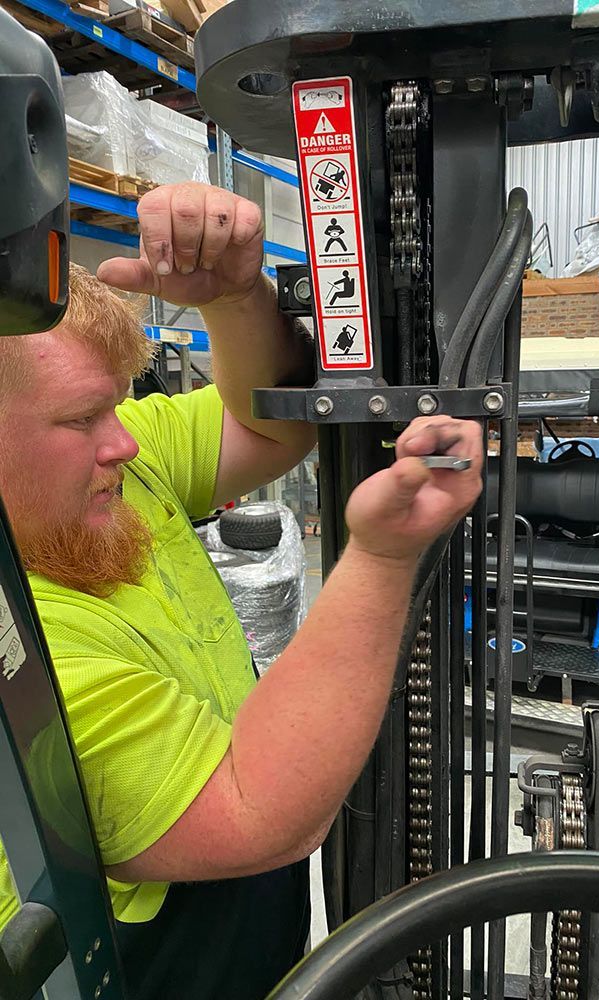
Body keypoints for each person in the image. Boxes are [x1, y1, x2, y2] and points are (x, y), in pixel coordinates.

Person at [0, 182, 483, 998]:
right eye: (84, 419)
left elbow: (269, 424)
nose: (124, 439)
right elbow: (258, 808)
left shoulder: (109, 469)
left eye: (118, 405)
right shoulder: (24, 659)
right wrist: (382, 558)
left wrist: (235, 298)